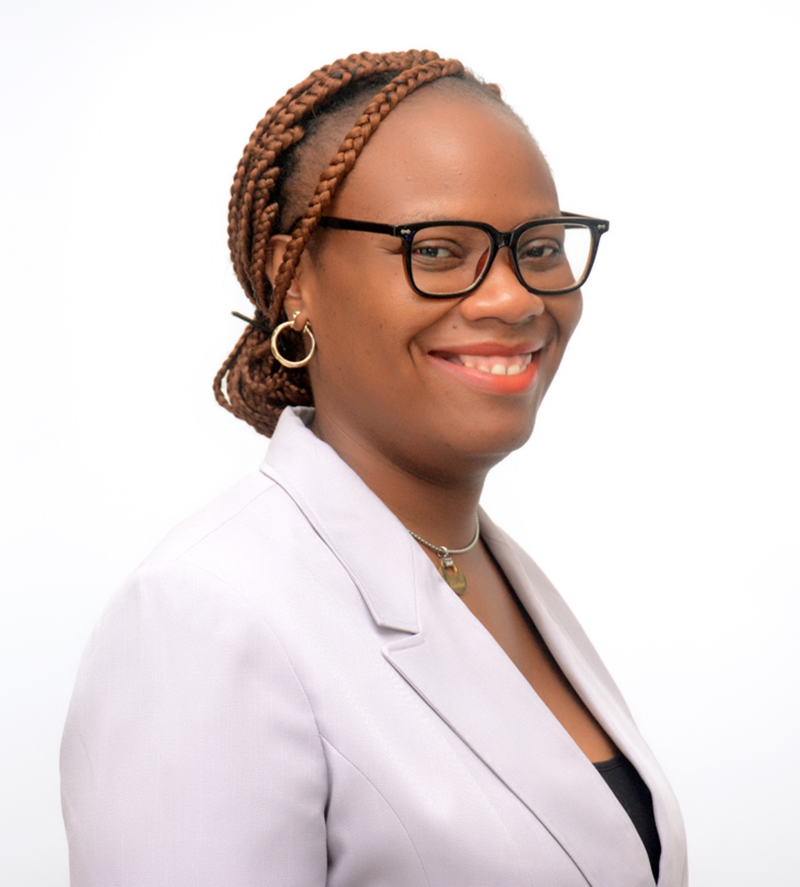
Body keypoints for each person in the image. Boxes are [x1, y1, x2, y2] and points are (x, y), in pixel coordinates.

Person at [61, 49, 687, 886]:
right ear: (294, 279)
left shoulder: (495, 571)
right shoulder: (203, 618)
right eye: (436, 250)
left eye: (537, 245)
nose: (513, 297)